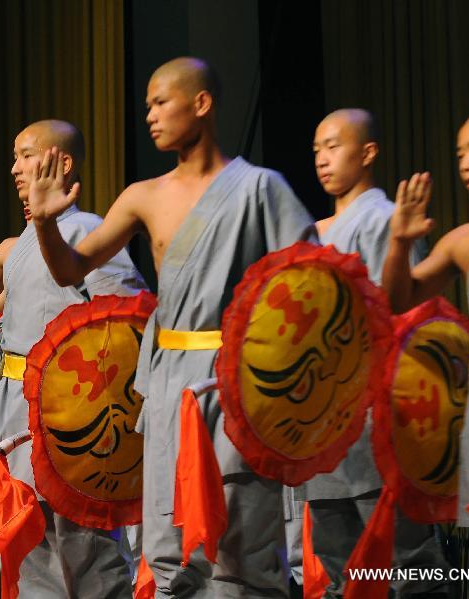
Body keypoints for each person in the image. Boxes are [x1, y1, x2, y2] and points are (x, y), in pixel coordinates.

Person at [27, 57, 316, 597]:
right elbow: (70, 269)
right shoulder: (143, 195)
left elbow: (310, 288)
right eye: (147, 107)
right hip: (167, 385)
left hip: (236, 382)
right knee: (169, 542)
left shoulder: (259, 189)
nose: (150, 116)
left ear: (201, 104)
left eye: (161, 103)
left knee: (242, 543)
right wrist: (45, 224)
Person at [0, 119, 144, 598]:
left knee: (87, 554)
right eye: (14, 157)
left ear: (62, 163)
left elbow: (129, 325)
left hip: (73, 423)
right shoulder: (11, 249)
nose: (16, 168)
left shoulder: (90, 234)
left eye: (27, 155)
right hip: (16, 419)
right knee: (29, 550)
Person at [292, 108, 447, 596]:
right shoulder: (314, 231)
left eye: (334, 146)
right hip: (326, 421)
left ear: (368, 152)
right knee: (344, 569)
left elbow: (406, 313)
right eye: (316, 149)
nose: (322, 158)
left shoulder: (381, 219)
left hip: (375, 418)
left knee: (409, 563)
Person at [383, 107, 469, 594]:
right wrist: (398, 241)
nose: (466, 163)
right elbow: (398, 301)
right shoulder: (466, 239)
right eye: (460, 154)